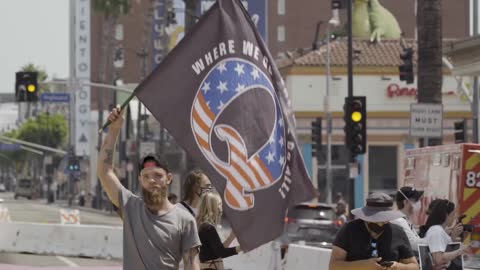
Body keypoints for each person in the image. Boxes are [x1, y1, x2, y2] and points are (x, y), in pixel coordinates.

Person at [97, 105, 201, 270]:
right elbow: (104, 172)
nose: (152, 180)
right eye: (146, 176)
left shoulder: (185, 220)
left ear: (168, 179)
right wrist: (114, 130)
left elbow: (191, 264)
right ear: (140, 180)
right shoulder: (130, 207)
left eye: (158, 175)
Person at [329, 192, 419, 270]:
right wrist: (363, 266)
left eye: (383, 220)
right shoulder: (349, 230)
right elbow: (334, 266)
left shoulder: (398, 232)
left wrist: (397, 267)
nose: (380, 224)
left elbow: (414, 266)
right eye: (376, 219)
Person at [419, 199, 470, 268]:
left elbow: (446, 249)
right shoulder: (436, 231)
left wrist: (453, 237)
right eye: (453, 214)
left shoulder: (439, 230)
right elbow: (439, 259)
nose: (455, 217)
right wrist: (460, 251)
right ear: (446, 215)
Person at [197, 192, 241, 270]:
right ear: (212, 206)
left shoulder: (204, 226)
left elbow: (216, 250)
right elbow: (222, 252)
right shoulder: (208, 228)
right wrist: (242, 247)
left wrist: (231, 237)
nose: (221, 208)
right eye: (219, 204)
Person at [391, 187, 426, 253]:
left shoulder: (405, 220)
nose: (419, 203)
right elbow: (414, 245)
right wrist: (433, 238)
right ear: (405, 202)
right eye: (415, 200)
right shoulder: (399, 221)